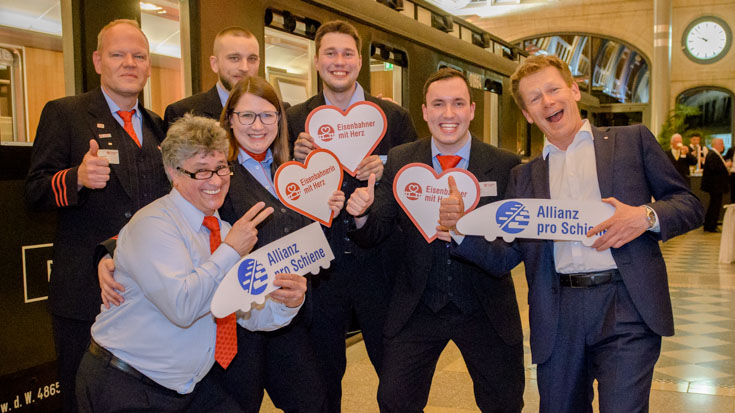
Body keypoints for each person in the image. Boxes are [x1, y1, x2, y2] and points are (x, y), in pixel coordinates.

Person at [440, 55, 703, 412]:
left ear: (574, 90)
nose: (547, 102)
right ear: (528, 115)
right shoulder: (524, 177)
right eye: (534, 98)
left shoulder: (631, 141)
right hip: (558, 312)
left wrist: (644, 216)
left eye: (553, 89)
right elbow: (507, 255)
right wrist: (458, 230)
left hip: (625, 303)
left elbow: (688, 203)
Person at [76, 114, 307, 412]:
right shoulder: (154, 223)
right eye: (201, 171)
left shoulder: (223, 231)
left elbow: (248, 313)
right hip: (126, 383)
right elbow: (182, 307)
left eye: (221, 168)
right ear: (174, 172)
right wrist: (230, 250)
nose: (215, 181)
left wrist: (288, 302)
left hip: (185, 388)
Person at [346, 68, 524, 412]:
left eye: (458, 103)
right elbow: (378, 227)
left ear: (472, 109)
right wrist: (362, 214)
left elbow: (510, 248)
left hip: (484, 305)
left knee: (503, 403)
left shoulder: (503, 165)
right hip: (418, 304)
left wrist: (463, 232)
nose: (448, 114)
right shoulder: (401, 159)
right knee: (395, 400)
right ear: (424, 111)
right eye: (438, 104)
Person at [24, 19, 171, 412]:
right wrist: (76, 178)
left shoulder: (159, 128)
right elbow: (35, 190)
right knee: (83, 399)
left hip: (148, 293)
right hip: (85, 294)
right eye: (118, 54)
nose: (129, 63)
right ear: (97, 60)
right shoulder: (65, 113)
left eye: (139, 56)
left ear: (148, 66)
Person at [286, 20, 418, 411]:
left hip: (381, 268)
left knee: (396, 382)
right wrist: (291, 163)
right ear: (316, 61)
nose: (338, 62)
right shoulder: (295, 120)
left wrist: (388, 167)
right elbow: (281, 190)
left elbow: (413, 188)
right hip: (320, 271)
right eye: (330, 53)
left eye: (347, 53)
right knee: (323, 385)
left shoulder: (393, 118)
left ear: (360, 61)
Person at [216, 76, 345, 412]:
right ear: (230, 119)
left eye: (268, 115)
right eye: (246, 116)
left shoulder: (290, 171)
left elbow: (310, 245)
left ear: (279, 119)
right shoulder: (217, 175)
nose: (258, 125)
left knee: (312, 403)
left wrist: (325, 215)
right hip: (239, 324)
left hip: (289, 316)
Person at [163, 27, 259, 128]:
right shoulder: (182, 113)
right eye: (234, 58)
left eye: (252, 59)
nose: (244, 67)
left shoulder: (270, 112)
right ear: (214, 64)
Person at [702, 138, 731, 232]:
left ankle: (710, 224)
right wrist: (726, 166)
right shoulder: (712, 154)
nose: (723, 145)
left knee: (714, 205)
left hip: (716, 186)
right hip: (715, 186)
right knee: (714, 206)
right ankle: (711, 225)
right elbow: (713, 168)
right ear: (716, 144)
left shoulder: (715, 154)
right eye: (721, 143)